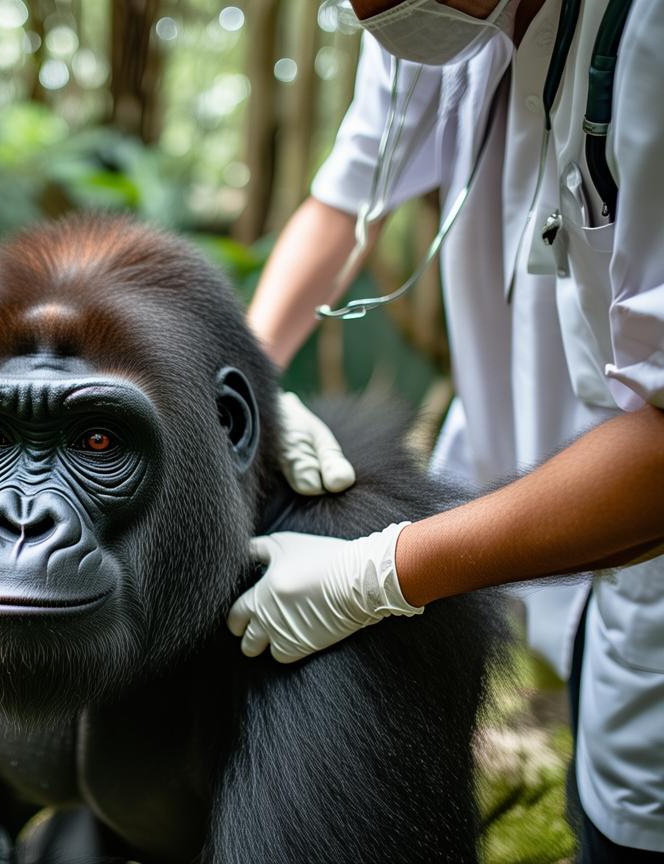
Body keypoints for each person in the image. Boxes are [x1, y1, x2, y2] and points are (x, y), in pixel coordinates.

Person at [230, 0, 664, 859]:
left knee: (626, 826)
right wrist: (248, 374)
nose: (363, 10)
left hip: (638, 519)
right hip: (517, 463)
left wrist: (379, 573)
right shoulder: (432, 24)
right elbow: (347, 194)